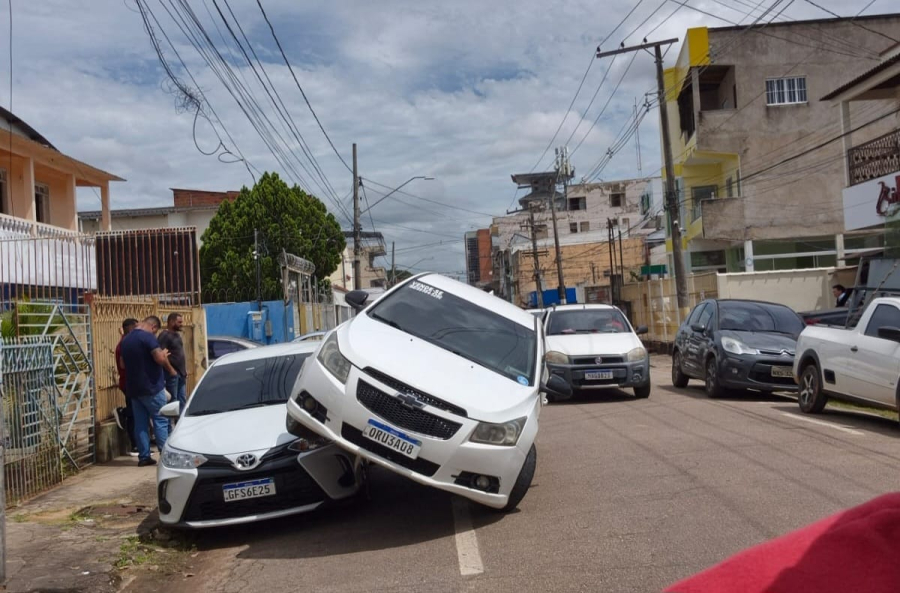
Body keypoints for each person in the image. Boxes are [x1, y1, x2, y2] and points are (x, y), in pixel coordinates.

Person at [120, 315, 177, 466]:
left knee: (140, 424)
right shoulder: (148, 337)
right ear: (153, 327)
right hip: (152, 387)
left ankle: (144, 456)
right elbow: (159, 358)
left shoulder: (125, 340)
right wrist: (165, 359)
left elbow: (123, 364)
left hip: (134, 389)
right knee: (160, 420)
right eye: (155, 331)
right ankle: (165, 456)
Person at [113, 318, 139, 456]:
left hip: (131, 381)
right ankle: (122, 412)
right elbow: (124, 365)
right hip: (128, 382)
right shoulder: (125, 344)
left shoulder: (126, 342)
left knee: (136, 413)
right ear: (129, 328)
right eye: (135, 327)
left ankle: (137, 444)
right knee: (133, 414)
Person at [158, 312, 187, 421]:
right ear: (171, 322)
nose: (181, 324)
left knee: (182, 400)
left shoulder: (177, 335)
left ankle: (182, 422)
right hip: (172, 375)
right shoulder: (164, 336)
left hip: (181, 374)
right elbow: (161, 355)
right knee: (173, 402)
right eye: (179, 322)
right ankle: (172, 426)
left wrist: (183, 370)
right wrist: (171, 370)